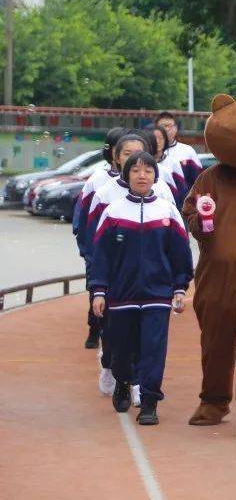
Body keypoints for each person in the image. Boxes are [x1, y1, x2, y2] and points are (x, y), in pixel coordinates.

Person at [89, 151, 193, 425]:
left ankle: (149, 401)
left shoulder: (167, 211)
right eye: (135, 170)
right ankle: (123, 380)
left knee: (153, 349)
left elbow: (180, 254)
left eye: (148, 170)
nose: (142, 175)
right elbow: (101, 256)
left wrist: (180, 287)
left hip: (158, 295)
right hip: (121, 296)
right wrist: (99, 290)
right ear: (127, 175)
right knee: (121, 349)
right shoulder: (113, 212)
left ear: (155, 176)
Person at [74, 126, 126, 351]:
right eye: (123, 149)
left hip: (127, 252)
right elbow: (82, 219)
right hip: (99, 250)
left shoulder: (144, 178)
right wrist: (89, 252)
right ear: (112, 151)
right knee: (98, 291)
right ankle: (95, 328)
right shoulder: (97, 180)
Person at [156, 111, 202, 192]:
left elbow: (199, 181)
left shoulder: (188, 151)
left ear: (176, 128)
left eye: (170, 126)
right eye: (163, 126)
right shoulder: (148, 152)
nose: (166, 129)